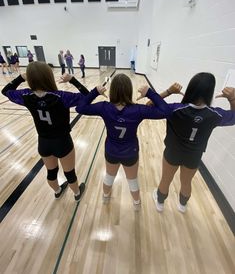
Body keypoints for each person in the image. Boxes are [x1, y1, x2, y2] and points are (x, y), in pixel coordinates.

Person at [75, 73, 175, 211]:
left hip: (111, 151)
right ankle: (136, 204)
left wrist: (95, 92)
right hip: (130, 152)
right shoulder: (138, 110)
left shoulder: (104, 107)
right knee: (132, 180)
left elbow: (80, 108)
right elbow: (166, 111)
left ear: (112, 91)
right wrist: (150, 93)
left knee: (109, 176)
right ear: (130, 90)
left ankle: (105, 196)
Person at [1, 61, 91, 201]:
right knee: (69, 173)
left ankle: (57, 191)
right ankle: (77, 194)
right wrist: (72, 80)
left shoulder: (26, 95)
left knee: (51, 172)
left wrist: (20, 78)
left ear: (30, 78)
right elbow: (88, 97)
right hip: (63, 142)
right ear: (49, 76)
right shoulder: (61, 96)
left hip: (43, 142)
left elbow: (5, 91)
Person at [151, 72, 235, 213]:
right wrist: (232, 99)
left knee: (166, 179)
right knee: (186, 183)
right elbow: (233, 118)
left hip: (172, 152)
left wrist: (169, 91)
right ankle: (182, 206)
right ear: (210, 93)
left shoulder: (174, 109)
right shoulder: (214, 114)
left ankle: (160, 203)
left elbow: (150, 105)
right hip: (193, 156)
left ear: (190, 89)